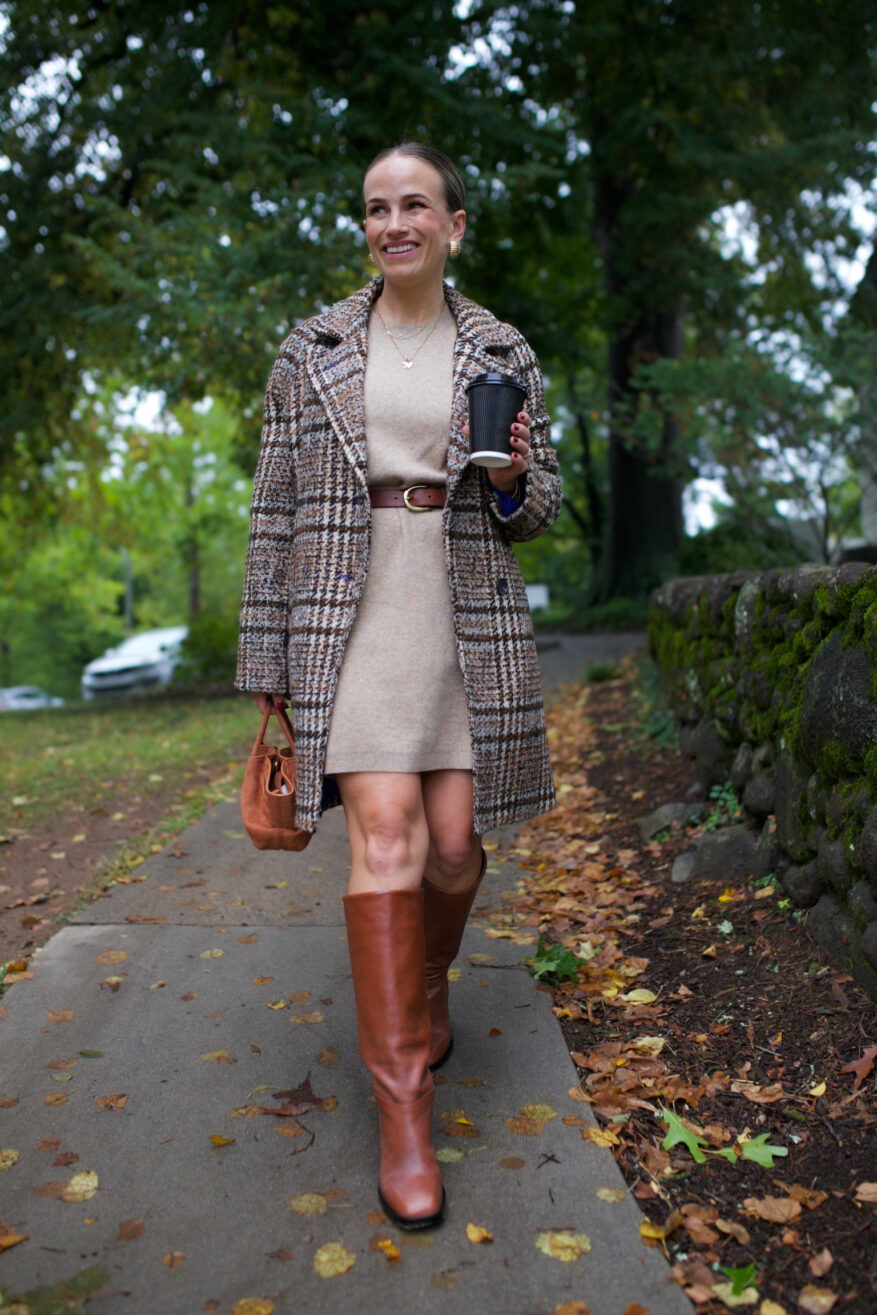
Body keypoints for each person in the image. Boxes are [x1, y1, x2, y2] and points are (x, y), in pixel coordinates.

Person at [235, 143, 561, 1230]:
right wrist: (270, 669)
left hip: (460, 610)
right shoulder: (313, 347)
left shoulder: (501, 347)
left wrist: (513, 481)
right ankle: (405, 1113)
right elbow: (272, 509)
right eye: (377, 208)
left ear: (454, 225)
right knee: (387, 840)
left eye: (414, 204)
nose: (394, 222)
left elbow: (540, 507)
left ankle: (422, 990)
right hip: (350, 617)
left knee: (457, 848)